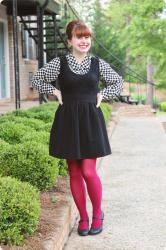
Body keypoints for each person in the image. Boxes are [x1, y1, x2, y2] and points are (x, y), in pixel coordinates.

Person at [31, 19, 123, 236]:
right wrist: (55, 92)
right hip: (68, 120)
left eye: (87, 36)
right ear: (70, 39)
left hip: (91, 119)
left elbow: (117, 82)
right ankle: (83, 217)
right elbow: (36, 78)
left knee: (88, 171)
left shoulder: (97, 63)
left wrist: (103, 94)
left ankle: (98, 213)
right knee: (74, 170)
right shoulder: (59, 63)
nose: (84, 40)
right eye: (79, 36)